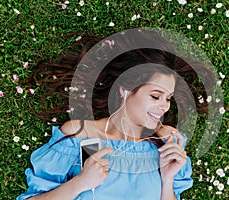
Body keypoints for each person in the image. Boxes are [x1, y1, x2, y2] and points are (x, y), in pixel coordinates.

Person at [17, 29, 213, 200]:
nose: (165, 107)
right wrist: (80, 183)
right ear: (125, 89)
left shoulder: (163, 146)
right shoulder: (80, 135)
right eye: (155, 96)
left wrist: (167, 178)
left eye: (168, 98)